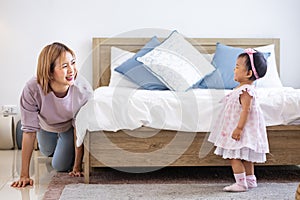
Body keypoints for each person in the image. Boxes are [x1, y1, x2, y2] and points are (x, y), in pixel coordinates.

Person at [11, 42, 92, 188]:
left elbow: (80, 130)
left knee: (60, 165)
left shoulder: (83, 90)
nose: (72, 70)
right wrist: (24, 175)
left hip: (69, 128)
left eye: (73, 63)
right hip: (45, 126)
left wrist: (77, 167)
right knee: (47, 151)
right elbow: (29, 132)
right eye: (64, 66)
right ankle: (54, 145)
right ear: (49, 72)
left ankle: (64, 147)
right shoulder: (32, 88)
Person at [208, 48, 269, 192]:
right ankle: (250, 179)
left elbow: (246, 110)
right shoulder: (241, 89)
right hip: (241, 130)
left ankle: (241, 183)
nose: (234, 69)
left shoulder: (246, 91)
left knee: (234, 156)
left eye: (237, 67)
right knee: (246, 157)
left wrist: (239, 128)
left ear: (248, 73)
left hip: (240, 130)